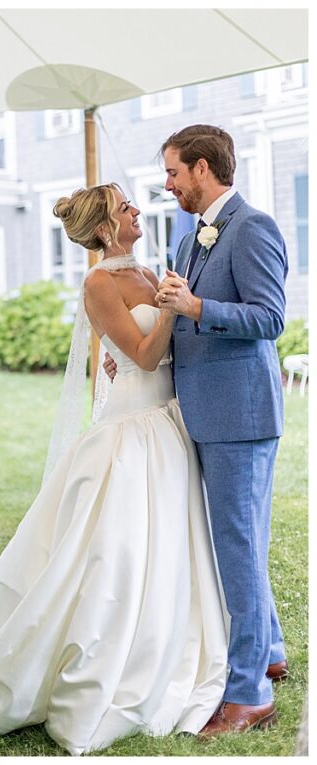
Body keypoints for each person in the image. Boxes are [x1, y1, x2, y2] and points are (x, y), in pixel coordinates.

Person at [0, 184, 228, 755]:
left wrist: (171, 301)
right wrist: (169, 307)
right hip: (131, 433)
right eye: (125, 205)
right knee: (112, 556)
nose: (136, 209)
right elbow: (147, 355)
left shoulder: (152, 270)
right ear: (106, 227)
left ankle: (168, 644)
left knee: (172, 550)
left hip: (168, 425)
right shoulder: (99, 283)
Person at [145, 124, 288, 737]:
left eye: (174, 172)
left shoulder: (253, 228)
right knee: (238, 542)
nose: (168, 184)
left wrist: (198, 309)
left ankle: (249, 693)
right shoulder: (188, 240)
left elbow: (270, 317)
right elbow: (178, 320)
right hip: (202, 412)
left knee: (237, 548)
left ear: (203, 169)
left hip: (241, 415)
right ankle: (272, 651)